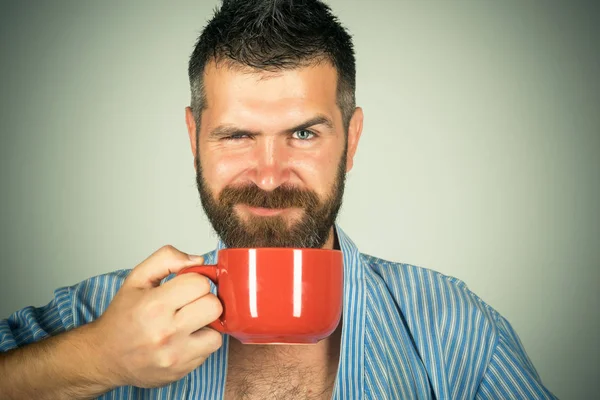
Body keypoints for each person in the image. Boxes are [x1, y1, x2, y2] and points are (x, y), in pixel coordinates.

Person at [0, 0, 557, 399]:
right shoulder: (96, 317)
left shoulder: (457, 330)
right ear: (194, 139)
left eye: (305, 134)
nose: (268, 177)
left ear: (352, 139)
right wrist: (98, 356)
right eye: (238, 135)